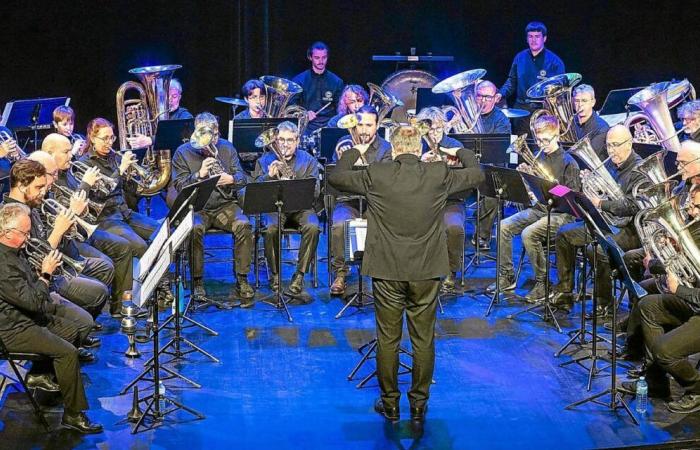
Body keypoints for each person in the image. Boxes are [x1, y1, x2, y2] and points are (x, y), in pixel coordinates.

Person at [327, 124, 484, 432]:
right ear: (418, 148)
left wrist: (354, 151)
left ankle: (390, 403)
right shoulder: (437, 173)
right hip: (427, 270)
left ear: (395, 149)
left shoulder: (378, 173)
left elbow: (335, 177)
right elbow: (477, 174)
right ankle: (418, 405)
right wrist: (459, 152)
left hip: (387, 269)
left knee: (388, 338)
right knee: (423, 338)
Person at [0, 203, 102, 433]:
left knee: (73, 330)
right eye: (24, 234)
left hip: (25, 316)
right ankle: (73, 415)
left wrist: (39, 277)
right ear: (6, 233)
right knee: (67, 351)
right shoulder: (2, 265)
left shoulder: (13, 251)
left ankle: (48, 377)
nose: (28, 238)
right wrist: (45, 273)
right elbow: (34, 302)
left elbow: (29, 293)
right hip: (11, 328)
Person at [4, 159, 109, 340]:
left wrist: (66, 228)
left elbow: (45, 246)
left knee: (102, 277)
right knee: (91, 306)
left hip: (52, 272)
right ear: (21, 186)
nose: (44, 192)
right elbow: (33, 259)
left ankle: (72, 339)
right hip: (38, 284)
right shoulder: (12, 217)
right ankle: (65, 343)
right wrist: (59, 229)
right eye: (38, 187)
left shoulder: (32, 206)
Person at [487, 115, 580, 301]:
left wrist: (552, 185)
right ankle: (507, 276)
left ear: (557, 135)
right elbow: (535, 193)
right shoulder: (540, 157)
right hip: (540, 208)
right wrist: (528, 179)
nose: (542, 144)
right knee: (503, 226)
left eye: (546, 140)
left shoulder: (570, 162)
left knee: (529, 233)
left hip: (562, 214)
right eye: (538, 140)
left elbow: (573, 196)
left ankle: (542, 283)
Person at [552, 125, 645, 312]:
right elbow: (602, 191)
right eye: (609, 145)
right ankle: (565, 293)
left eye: (616, 145)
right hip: (605, 221)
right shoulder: (610, 163)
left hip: (629, 229)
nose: (612, 151)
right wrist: (588, 182)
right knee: (563, 234)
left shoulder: (639, 169)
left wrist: (600, 203)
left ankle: (605, 302)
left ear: (630, 143)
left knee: (596, 250)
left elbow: (633, 206)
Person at [42, 133, 134, 316]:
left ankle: (120, 306)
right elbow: (62, 213)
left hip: (83, 229)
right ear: (50, 153)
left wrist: (86, 200)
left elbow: (83, 204)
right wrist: (85, 185)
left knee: (124, 247)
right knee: (106, 263)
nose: (71, 155)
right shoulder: (48, 179)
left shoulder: (67, 171)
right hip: (70, 238)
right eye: (66, 152)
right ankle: (90, 314)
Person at [78, 118, 162, 314]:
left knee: (162, 232)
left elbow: (129, 190)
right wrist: (121, 171)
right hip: (106, 218)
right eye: (104, 138)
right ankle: (123, 304)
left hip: (124, 212)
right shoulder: (85, 164)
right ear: (92, 137)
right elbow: (98, 195)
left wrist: (136, 175)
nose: (109, 143)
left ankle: (159, 288)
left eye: (112, 137)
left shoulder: (114, 157)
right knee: (139, 247)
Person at [171, 112, 255, 305]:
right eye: (208, 135)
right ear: (196, 132)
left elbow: (242, 177)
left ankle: (242, 278)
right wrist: (199, 175)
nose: (213, 140)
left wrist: (232, 179)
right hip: (197, 207)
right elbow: (178, 185)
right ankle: (198, 281)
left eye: (216, 135)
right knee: (194, 229)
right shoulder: (182, 152)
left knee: (243, 225)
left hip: (224, 205)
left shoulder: (227, 148)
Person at [252, 121, 321, 297]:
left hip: (302, 207)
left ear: (297, 141)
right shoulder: (264, 160)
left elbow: (315, 191)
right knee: (270, 228)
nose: (285, 144)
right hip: (275, 207)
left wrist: (294, 183)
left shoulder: (308, 160)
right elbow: (255, 189)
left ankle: (299, 275)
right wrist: (269, 176)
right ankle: (275, 276)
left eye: (290, 140)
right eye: (281, 139)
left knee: (313, 227)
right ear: (275, 141)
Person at [329, 106, 391, 295]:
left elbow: (386, 180)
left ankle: (381, 272)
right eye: (360, 124)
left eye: (369, 125)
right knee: (339, 225)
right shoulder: (344, 143)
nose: (364, 130)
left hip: (375, 202)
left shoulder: (386, 148)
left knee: (386, 224)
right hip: (348, 199)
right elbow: (334, 176)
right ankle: (340, 273)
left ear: (377, 126)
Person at [415, 107, 470, 293]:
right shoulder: (417, 147)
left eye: (438, 129)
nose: (434, 134)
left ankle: (451, 271)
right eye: (430, 130)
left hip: (450, 201)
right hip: (422, 202)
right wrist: (420, 163)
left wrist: (454, 167)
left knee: (454, 228)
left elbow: (466, 181)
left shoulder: (454, 145)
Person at [499, 21, 565, 135]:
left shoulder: (555, 62)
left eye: (537, 36)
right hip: (521, 111)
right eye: (530, 36)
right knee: (521, 147)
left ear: (544, 38)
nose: (533, 40)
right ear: (526, 39)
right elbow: (511, 81)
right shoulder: (519, 57)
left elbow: (560, 92)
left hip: (543, 112)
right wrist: (500, 94)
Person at [472, 80, 512, 250]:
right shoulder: (466, 114)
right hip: (466, 168)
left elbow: (499, 153)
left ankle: (482, 234)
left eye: (487, 97)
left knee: (494, 193)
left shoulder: (501, 120)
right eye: (480, 96)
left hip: (489, 169)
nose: (483, 101)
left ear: (495, 98)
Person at [292, 41, 344, 133]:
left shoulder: (337, 81)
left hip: (330, 126)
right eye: (317, 58)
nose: (321, 61)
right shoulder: (299, 80)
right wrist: (304, 113)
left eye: (324, 57)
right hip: (306, 126)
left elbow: (340, 108)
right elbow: (292, 106)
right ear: (310, 57)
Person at [572, 84, 610, 158]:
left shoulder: (602, 128)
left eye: (584, 101)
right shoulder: (569, 123)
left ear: (593, 102)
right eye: (577, 101)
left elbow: (589, 156)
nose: (580, 105)